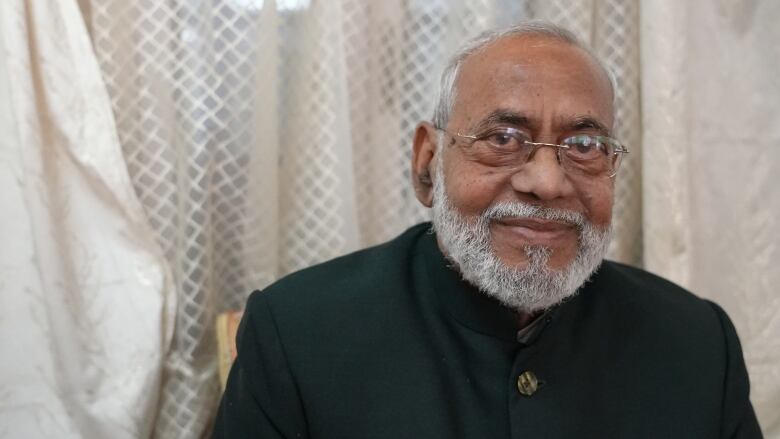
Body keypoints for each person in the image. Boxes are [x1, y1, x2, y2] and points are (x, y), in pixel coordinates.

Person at [213, 21, 762, 438]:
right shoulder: (296, 335)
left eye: (584, 145)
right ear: (428, 162)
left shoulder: (698, 343)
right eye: (503, 138)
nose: (547, 182)